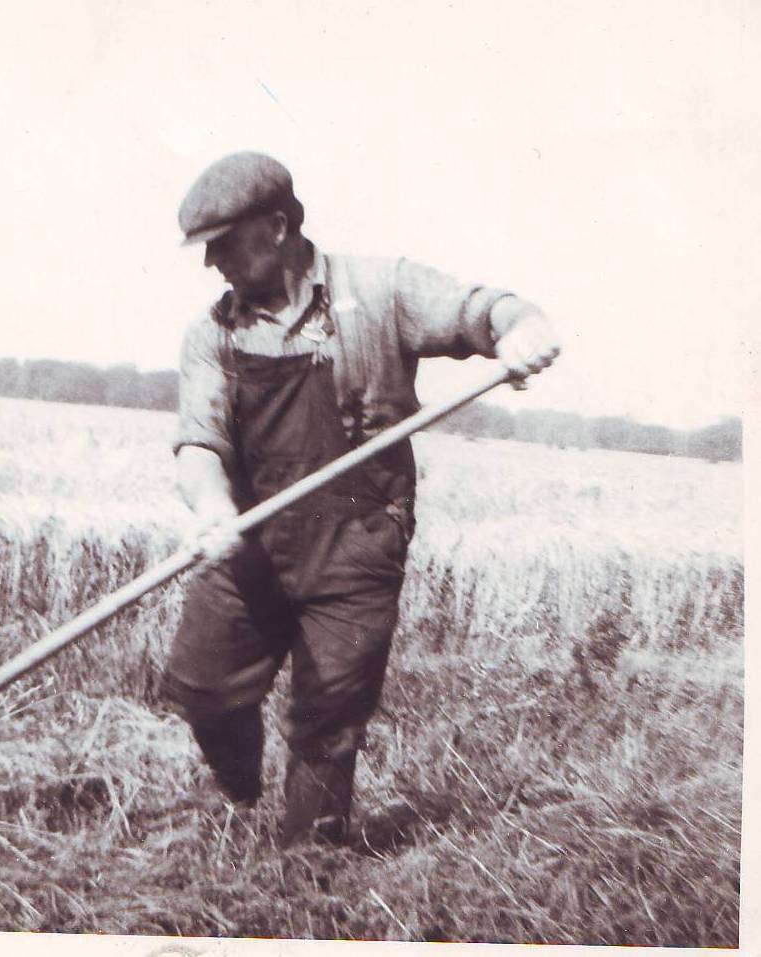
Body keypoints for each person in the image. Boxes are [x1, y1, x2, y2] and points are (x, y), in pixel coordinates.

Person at [161, 152, 559, 848]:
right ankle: (241, 788)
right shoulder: (213, 332)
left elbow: (481, 309)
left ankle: (307, 863)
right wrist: (211, 506)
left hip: (356, 544)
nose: (211, 262)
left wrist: (521, 327)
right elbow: (200, 442)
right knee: (202, 688)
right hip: (249, 540)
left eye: (222, 243)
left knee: (329, 716)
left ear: (276, 226)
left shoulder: (381, 291)